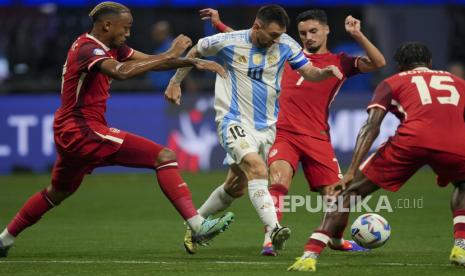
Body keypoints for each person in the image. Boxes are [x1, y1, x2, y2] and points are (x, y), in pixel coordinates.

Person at [0, 1, 234, 258]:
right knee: (163, 156)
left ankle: (4, 239)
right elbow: (122, 73)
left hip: (71, 131)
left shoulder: (107, 48)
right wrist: (169, 54)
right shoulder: (88, 49)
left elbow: (151, 63)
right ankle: (198, 225)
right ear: (107, 25)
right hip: (83, 130)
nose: (128, 33)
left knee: (57, 192)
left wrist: (191, 62)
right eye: (126, 27)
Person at [198, 8, 386, 256]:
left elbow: (379, 63)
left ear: (327, 30)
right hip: (282, 132)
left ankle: (337, 240)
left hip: (317, 136)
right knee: (278, 180)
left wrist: (357, 35)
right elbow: (249, 40)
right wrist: (220, 25)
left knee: (336, 196)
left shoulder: (340, 61)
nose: (308, 37)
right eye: (303, 33)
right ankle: (270, 237)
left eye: (313, 31)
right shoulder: (285, 52)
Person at [165, 5, 342, 255]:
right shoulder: (228, 42)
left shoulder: (286, 44)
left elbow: (308, 71)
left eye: (280, 35)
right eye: (272, 35)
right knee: (257, 168)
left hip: (267, 126)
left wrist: (322, 73)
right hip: (233, 120)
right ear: (257, 27)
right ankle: (274, 229)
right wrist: (175, 82)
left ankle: (196, 224)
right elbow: (196, 50)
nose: (276, 40)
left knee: (235, 185)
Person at [288, 42, 465, 271]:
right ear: (430, 63)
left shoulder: (393, 82)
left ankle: (310, 255)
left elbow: (371, 127)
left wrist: (351, 170)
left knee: (350, 194)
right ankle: (461, 245)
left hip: (411, 141)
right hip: (456, 142)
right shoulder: (459, 82)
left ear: (400, 67)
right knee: (463, 185)